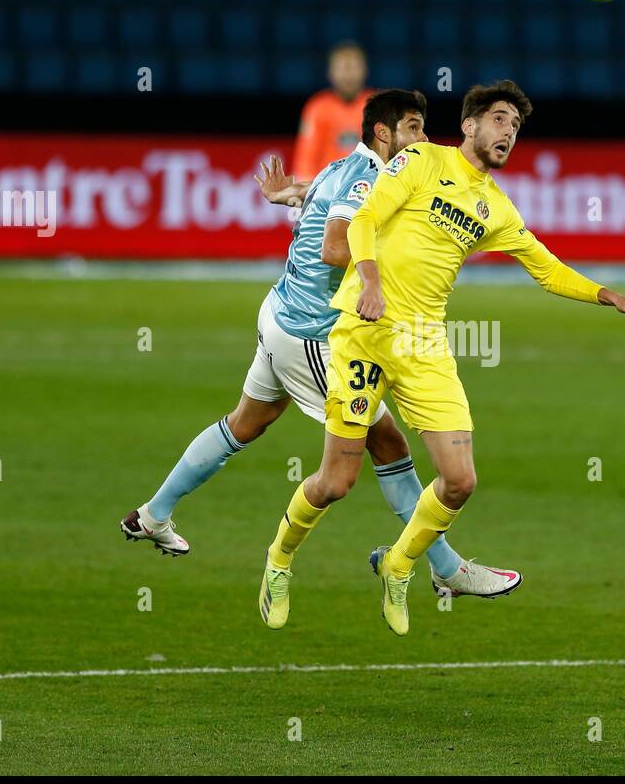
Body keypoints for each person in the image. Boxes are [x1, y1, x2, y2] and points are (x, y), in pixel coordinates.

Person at [258, 79, 625, 636]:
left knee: (460, 480)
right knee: (335, 482)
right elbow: (365, 219)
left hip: (424, 344)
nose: (507, 133)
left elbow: (546, 267)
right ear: (468, 125)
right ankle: (278, 560)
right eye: (497, 120)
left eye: (515, 127)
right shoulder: (419, 160)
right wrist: (369, 281)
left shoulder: (496, 207)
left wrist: (607, 294)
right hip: (363, 332)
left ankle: (398, 566)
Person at [122, 89, 520, 614]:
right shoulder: (371, 176)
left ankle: (153, 514)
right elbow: (337, 245)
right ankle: (446, 568)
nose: (424, 139)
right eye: (415, 128)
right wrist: (384, 272)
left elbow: (328, 200)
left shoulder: (343, 167)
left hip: (279, 313)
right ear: (386, 134)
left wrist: (292, 195)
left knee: (245, 422)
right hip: (313, 334)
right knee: (385, 446)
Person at [292, 41, 371, 180]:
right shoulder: (317, 108)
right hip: (327, 193)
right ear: (330, 73)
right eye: (342, 68)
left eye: (353, 68)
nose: (348, 76)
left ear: (365, 70)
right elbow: (305, 161)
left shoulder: (379, 106)